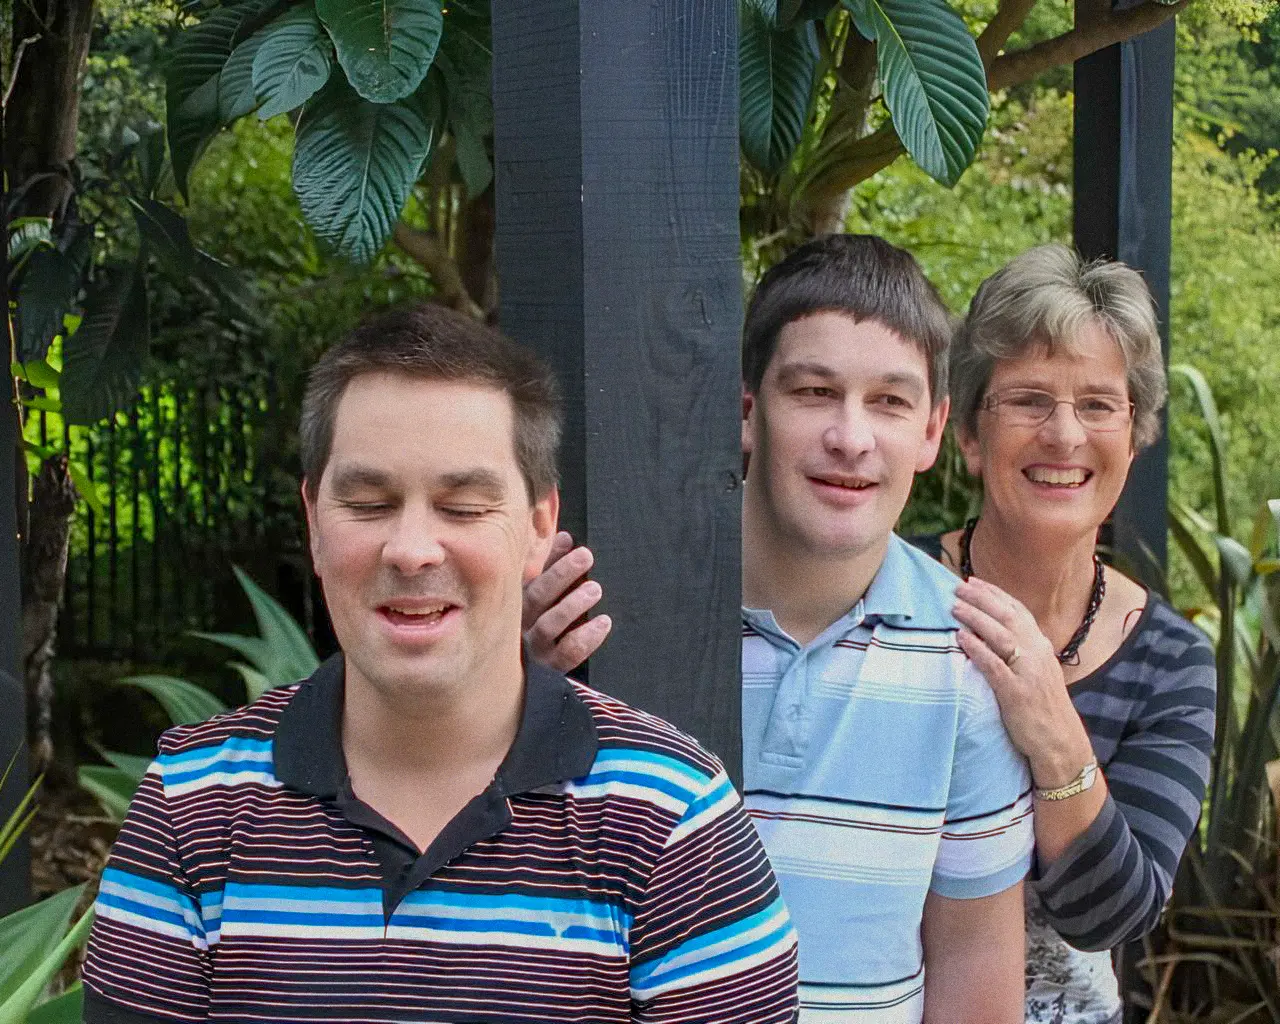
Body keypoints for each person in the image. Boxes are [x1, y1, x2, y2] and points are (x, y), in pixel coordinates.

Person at [80, 304, 799, 1024]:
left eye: (462, 507)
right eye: (369, 503)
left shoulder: (670, 817)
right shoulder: (195, 801)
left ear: (539, 527)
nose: (412, 549)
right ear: (313, 522)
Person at [528, 234, 1037, 1023]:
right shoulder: (612, 615)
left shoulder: (969, 657)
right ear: (746, 412)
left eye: (890, 402)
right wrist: (511, 683)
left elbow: (976, 955)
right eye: (812, 392)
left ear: (933, 432)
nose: (851, 437)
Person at [915, 244, 1217, 1024]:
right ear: (969, 434)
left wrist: (1055, 732)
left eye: (1097, 404)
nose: (1063, 434)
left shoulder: (1171, 662)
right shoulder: (893, 600)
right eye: (1028, 400)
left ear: (1135, 435)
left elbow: (1112, 918)